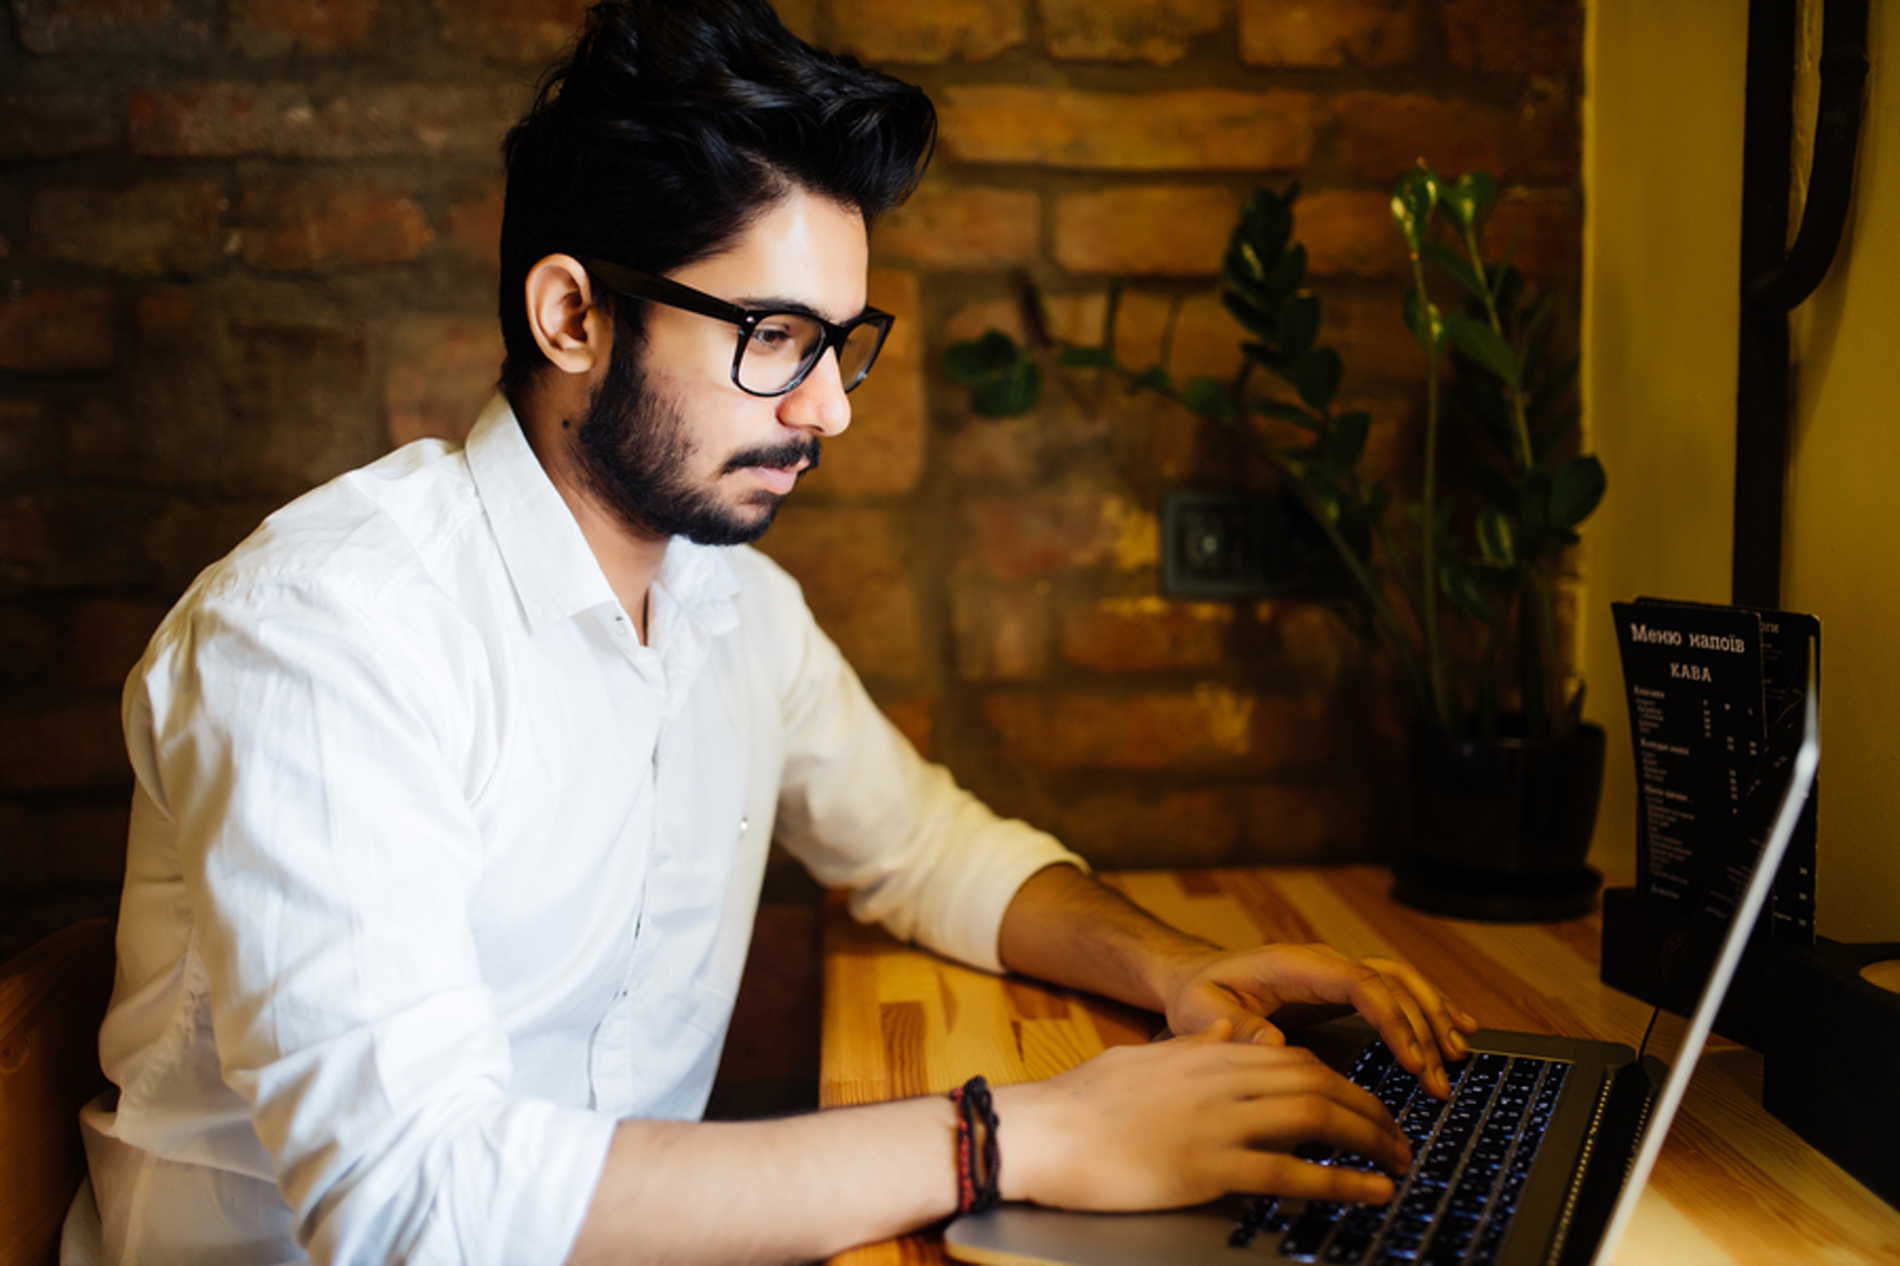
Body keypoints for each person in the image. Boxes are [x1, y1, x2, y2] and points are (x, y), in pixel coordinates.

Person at [67, 2, 1480, 1263]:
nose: (830, 410)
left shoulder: (734, 606)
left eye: (843, 342)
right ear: (573, 315)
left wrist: (1172, 964)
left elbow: (922, 847)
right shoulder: (327, 629)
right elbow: (412, 1205)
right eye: (776, 339)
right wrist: (1010, 1136)